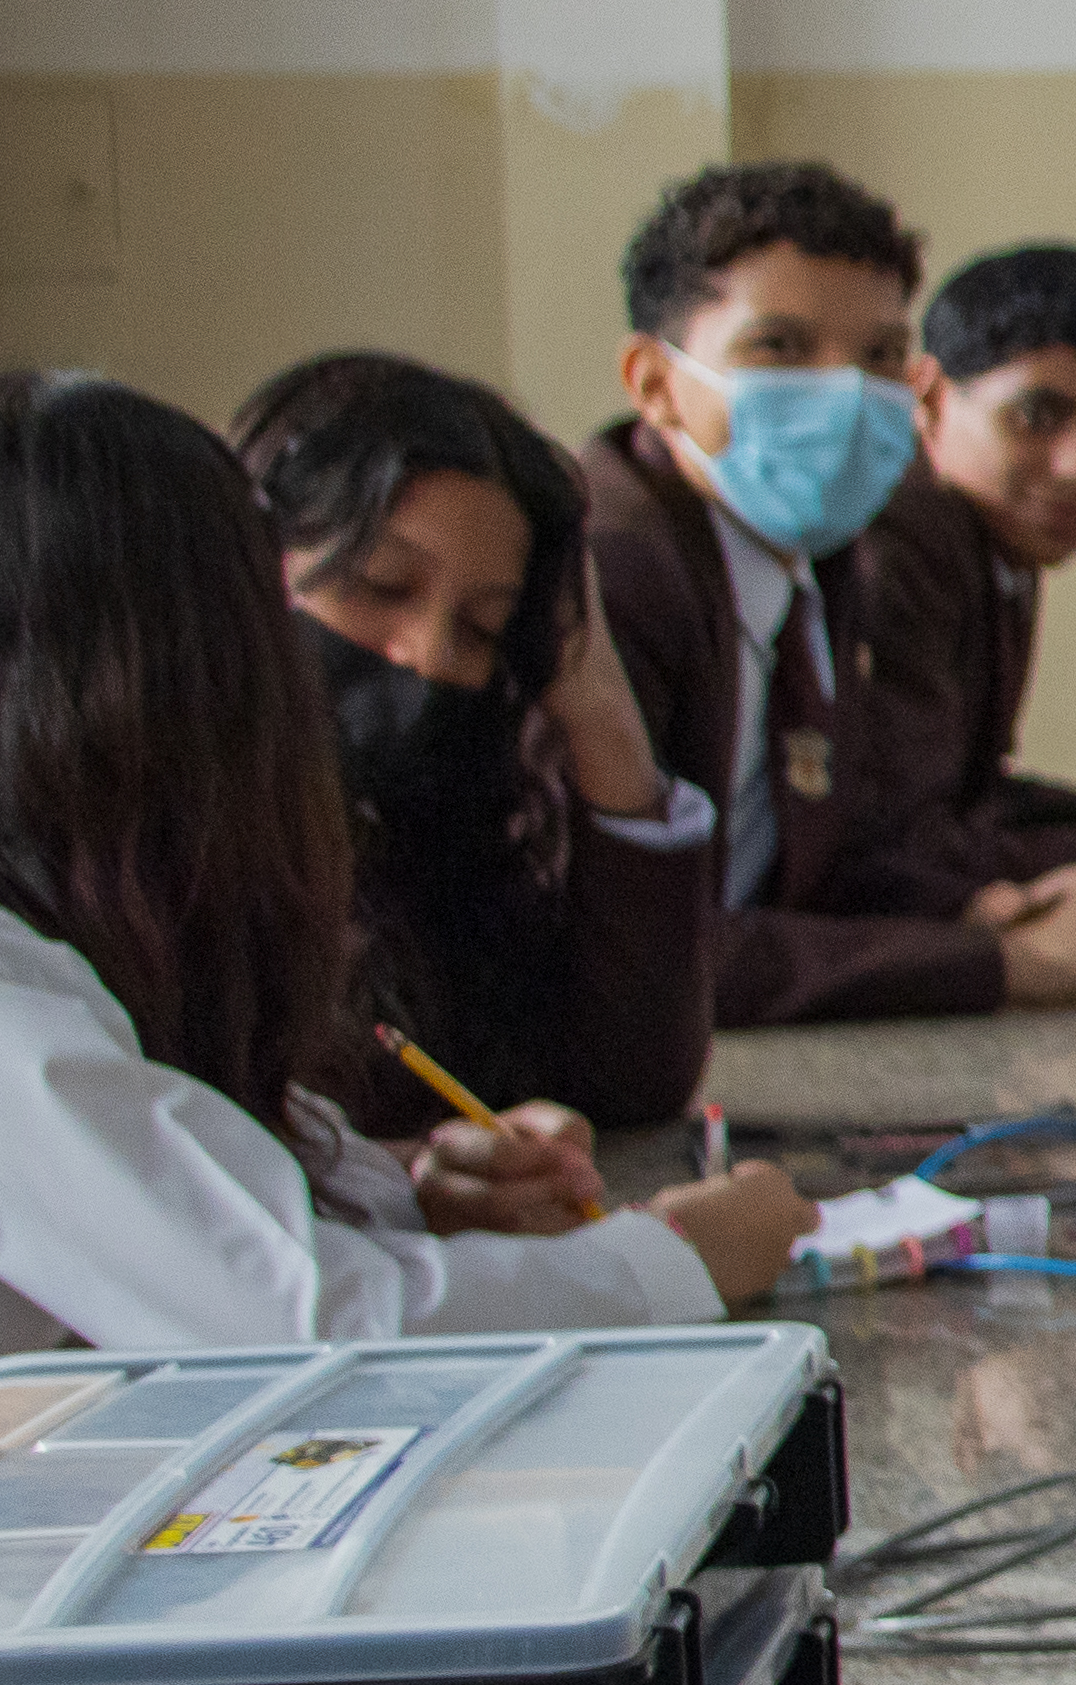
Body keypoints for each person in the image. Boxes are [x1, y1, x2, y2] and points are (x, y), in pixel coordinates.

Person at [0, 372, 805, 1361]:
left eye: (482, 629)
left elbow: (207, 1173)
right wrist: (669, 1260)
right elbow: (291, 1318)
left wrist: (405, 1195)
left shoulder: (66, 913)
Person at [576, 159, 1076, 1022]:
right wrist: (994, 962)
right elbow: (640, 949)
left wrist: (962, 904)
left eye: (879, 355)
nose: (846, 394)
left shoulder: (815, 550)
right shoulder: (609, 580)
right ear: (655, 384)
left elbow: (822, 859)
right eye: (779, 347)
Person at [229, 349, 717, 1139]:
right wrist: (412, 1179)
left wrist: (604, 721)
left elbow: (634, 1085)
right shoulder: (164, 838)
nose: (426, 654)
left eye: (481, 626)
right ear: (251, 567)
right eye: (382, 587)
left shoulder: (452, 833)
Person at [855, 238, 1076, 883]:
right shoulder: (899, 540)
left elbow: (972, 795)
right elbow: (901, 849)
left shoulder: (1000, 536)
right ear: (931, 397)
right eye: (1035, 416)